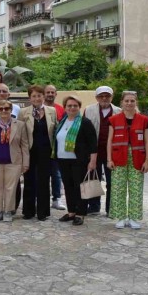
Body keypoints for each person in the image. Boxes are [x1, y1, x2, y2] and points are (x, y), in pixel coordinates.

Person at [106, 91, 148, 229]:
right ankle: (120, 217)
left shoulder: (144, 120)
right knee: (118, 189)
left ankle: (134, 217)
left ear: (136, 102)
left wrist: (147, 160)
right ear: (122, 103)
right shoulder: (113, 119)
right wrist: (109, 159)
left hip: (138, 158)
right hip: (118, 157)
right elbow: (109, 140)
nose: (129, 103)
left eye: (132, 101)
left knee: (136, 189)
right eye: (127, 101)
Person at [55, 96, 97, 226]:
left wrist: (93, 161)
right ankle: (71, 211)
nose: (72, 108)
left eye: (75, 105)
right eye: (69, 105)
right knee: (68, 187)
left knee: (80, 187)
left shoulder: (85, 122)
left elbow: (93, 144)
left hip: (79, 160)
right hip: (63, 160)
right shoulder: (62, 121)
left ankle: (81, 213)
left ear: (79, 107)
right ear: (65, 107)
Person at [18, 85, 57, 221]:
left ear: (43, 97)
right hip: (29, 151)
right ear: (30, 98)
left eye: (39, 95)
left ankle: (43, 211)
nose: (36, 98)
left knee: (44, 181)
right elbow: (21, 133)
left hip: (46, 151)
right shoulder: (23, 112)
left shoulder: (51, 111)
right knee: (29, 180)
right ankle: (28, 211)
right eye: (34, 96)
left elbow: (55, 130)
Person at [83, 86, 122, 215]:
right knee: (94, 179)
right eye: (101, 96)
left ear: (111, 97)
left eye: (107, 96)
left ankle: (110, 208)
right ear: (96, 98)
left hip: (113, 153)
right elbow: (84, 131)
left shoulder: (119, 111)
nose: (104, 98)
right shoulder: (88, 110)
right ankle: (94, 206)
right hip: (94, 151)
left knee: (112, 181)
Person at [44, 84, 66, 211]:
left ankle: (56, 199)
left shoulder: (60, 109)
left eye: (53, 92)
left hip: (56, 147)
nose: (50, 94)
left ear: (56, 94)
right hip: (41, 147)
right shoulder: (39, 108)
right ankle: (42, 198)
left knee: (56, 174)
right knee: (42, 174)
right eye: (48, 92)